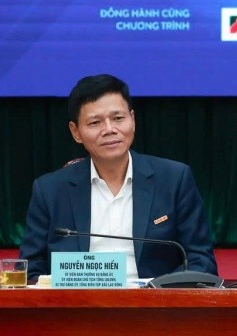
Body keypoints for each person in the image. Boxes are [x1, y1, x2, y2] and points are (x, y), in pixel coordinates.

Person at [19, 74, 218, 281]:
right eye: (95, 122)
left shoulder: (174, 179)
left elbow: (201, 260)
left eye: (118, 119)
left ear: (133, 120)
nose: (109, 130)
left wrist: (158, 290)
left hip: (154, 299)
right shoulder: (50, 190)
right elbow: (30, 270)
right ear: (75, 132)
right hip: (79, 298)